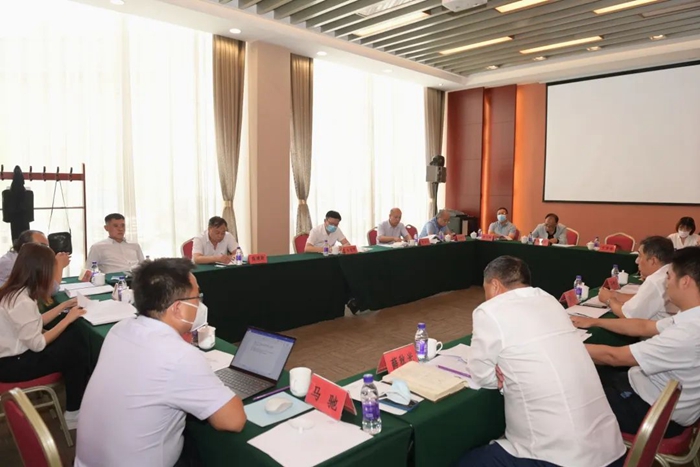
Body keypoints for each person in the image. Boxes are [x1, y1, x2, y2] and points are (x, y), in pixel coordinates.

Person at [75, 258, 246, 467]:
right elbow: (233, 421)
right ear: (178, 308)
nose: (200, 305)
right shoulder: (179, 356)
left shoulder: (119, 329)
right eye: (197, 297)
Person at [460, 256, 625, 467]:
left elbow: (481, 375)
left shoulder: (490, 310)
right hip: (612, 450)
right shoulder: (549, 300)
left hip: (559, 458)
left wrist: (500, 378)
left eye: (486, 291)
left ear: (495, 285)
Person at [572, 246, 700, 438]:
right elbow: (643, 326)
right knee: (592, 376)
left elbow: (614, 357)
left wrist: (565, 346)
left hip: (653, 413)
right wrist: (595, 321)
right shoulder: (691, 317)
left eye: (669, 277)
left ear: (685, 282)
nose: (666, 283)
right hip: (651, 392)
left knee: (569, 397)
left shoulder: (688, 333)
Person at [0, 243, 89, 430]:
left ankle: (78, 403)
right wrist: (68, 319)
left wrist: (62, 308)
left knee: (72, 336)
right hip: (14, 365)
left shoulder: (13, 291)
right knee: (75, 346)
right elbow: (38, 344)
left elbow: (33, 323)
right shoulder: (21, 300)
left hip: (11, 358)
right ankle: (73, 412)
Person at [598, 236, 678, 321]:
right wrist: (616, 295)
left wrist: (608, 300)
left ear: (653, 261)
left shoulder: (655, 281)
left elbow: (628, 315)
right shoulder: (672, 271)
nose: (636, 261)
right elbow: (643, 299)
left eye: (640, 256)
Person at [0, 229, 70, 288]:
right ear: (26, 246)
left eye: (47, 247)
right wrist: (59, 265)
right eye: (42, 245)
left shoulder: (25, 259)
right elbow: (48, 290)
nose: (45, 250)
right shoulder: (11, 263)